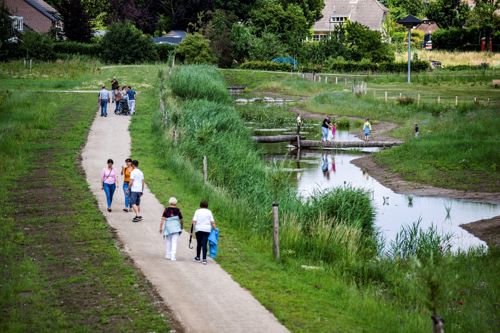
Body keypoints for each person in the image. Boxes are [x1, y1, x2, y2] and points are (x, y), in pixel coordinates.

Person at [192, 200, 217, 265]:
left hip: (198, 229)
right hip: (207, 230)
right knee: (204, 243)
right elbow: (212, 222)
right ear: (207, 206)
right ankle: (204, 259)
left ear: (200, 205)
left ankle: (198, 257)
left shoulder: (197, 211)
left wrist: (194, 229)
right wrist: (215, 229)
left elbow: (194, 221)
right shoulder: (209, 212)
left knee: (199, 243)